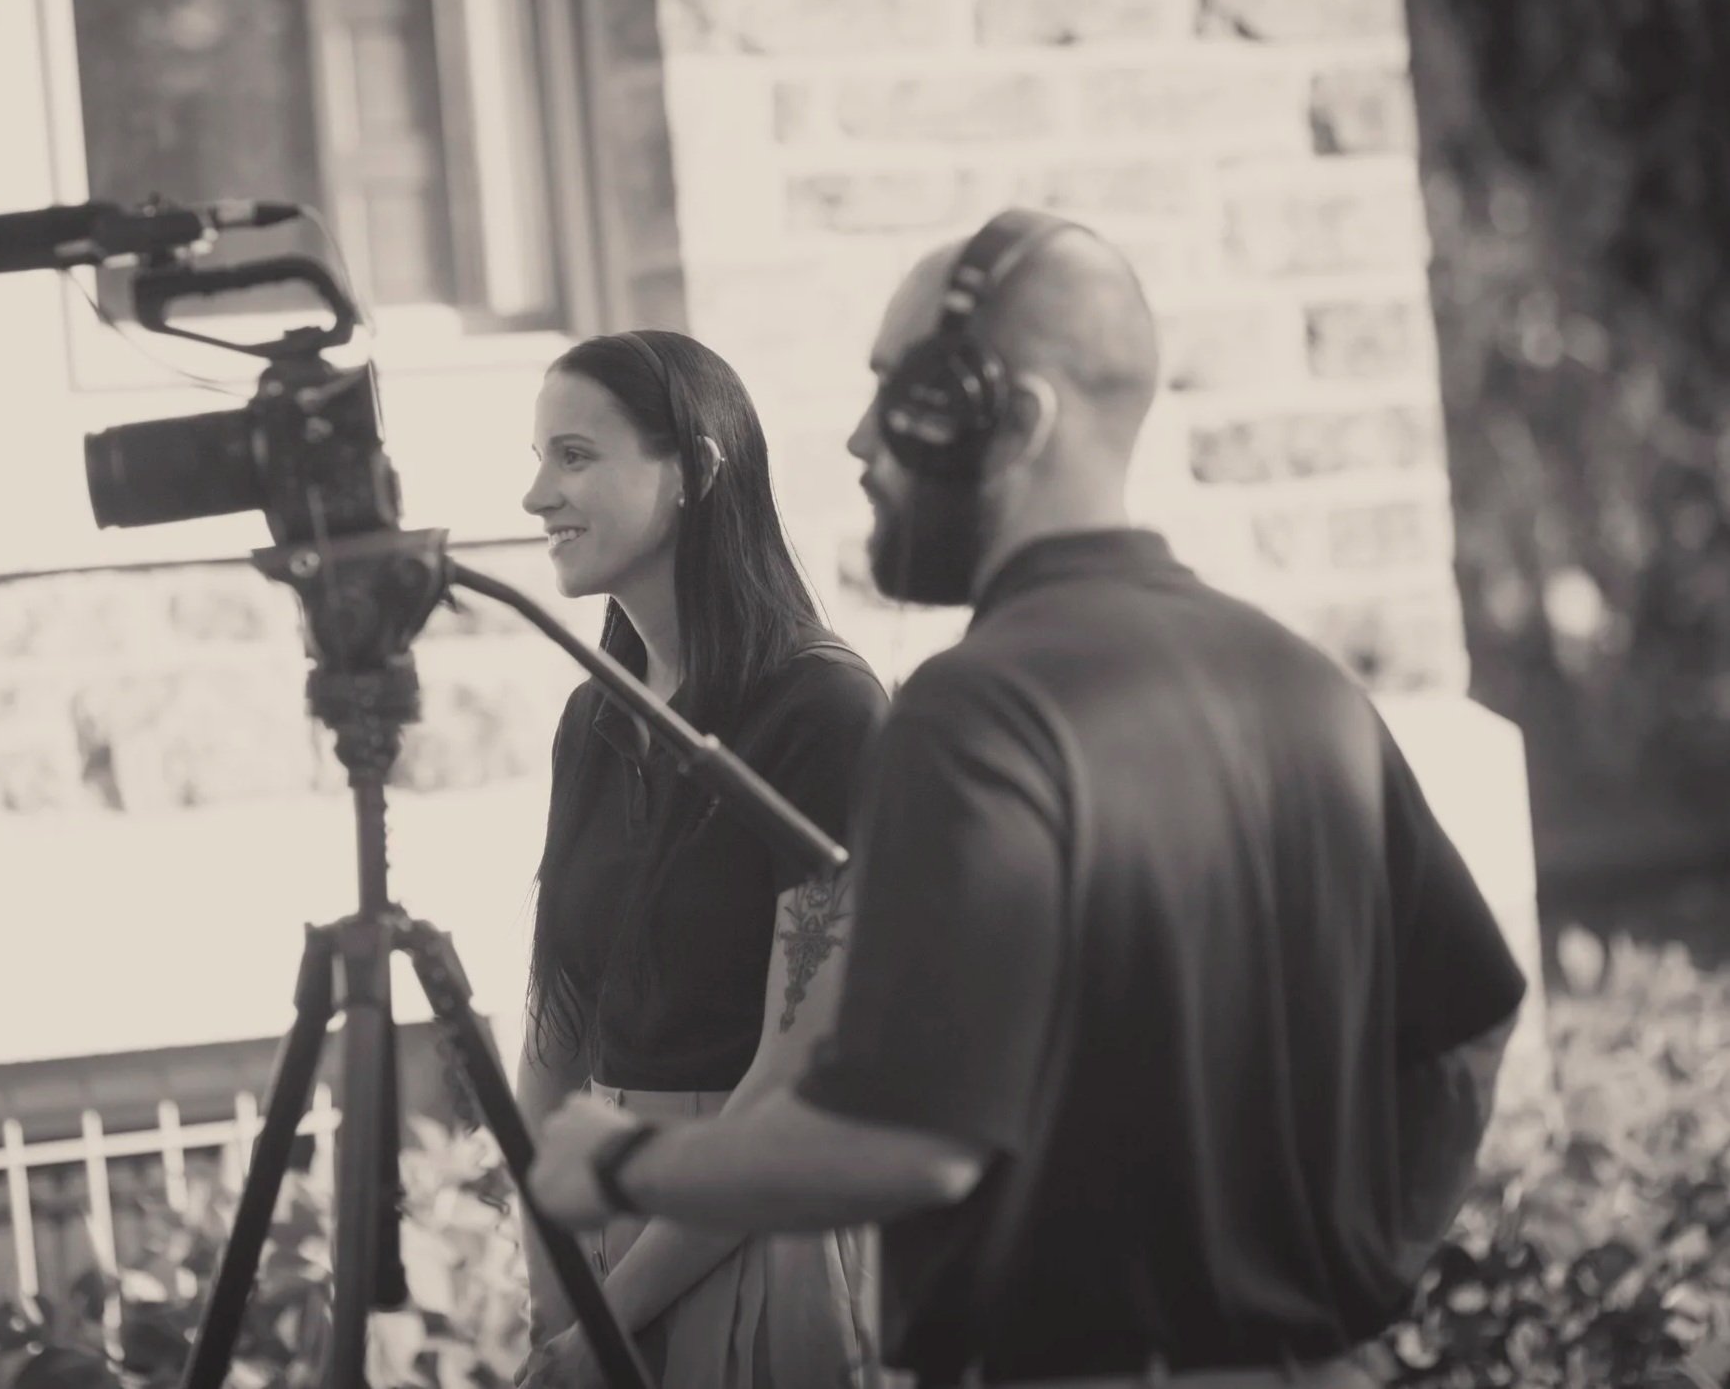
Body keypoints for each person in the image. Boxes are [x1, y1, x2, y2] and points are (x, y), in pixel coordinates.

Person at [528, 212, 1528, 1389]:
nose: (858, 440)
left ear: (1015, 418)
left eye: (898, 393)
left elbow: (912, 1136)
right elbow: (1464, 1029)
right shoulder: (1302, 683)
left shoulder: (976, 712)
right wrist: (1353, 1285)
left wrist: (625, 1167)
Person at [513, 329, 891, 1388]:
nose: (536, 497)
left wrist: (605, 1321)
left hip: (757, 1236)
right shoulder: (593, 717)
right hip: (600, 1231)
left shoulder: (824, 710)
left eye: (575, 456)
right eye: (538, 459)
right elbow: (554, 1031)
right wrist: (553, 1278)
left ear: (695, 469)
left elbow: (789, 1084)